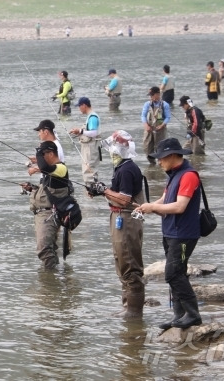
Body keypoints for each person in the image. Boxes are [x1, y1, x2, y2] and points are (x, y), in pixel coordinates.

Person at [134, 137, 203, 330]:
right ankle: (179, 315)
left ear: (172, 156)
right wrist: (149, 207)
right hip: (171, 232)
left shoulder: (188, 175)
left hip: (184, 234)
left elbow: (180, 206)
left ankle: (193, 314)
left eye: (162, 158)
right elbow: (165, 199)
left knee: (173, 274)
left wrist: (153, 207)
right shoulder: (173, 174)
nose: (159, 161)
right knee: (177, 273)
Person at [87, 130, 146, 319]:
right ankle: (127, 306)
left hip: (127, 220)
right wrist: (100, 190)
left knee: (129, 264)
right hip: (119, 219)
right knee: (121, 263)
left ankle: (134, 312)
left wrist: (104, 191)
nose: (111, 153)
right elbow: (117, 193)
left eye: (113, 149)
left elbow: (125, 199)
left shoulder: (128, 169)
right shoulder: (121, 168)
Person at [22, 141, 74, 269]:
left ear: (50, 154)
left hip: (50, 215)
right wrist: (31, 189)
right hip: (43, 215)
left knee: (44, 249)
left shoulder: (61, 168)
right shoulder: (51, 172)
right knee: (49, 248)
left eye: (43, 155)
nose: (40, 160)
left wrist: (38, 153)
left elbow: (45, 167)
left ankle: (51, 279)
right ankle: (55, 276)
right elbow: (47, 190)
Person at [70, 97, 101, 186]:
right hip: (89, 147)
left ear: (84, 105)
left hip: (91, 147)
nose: (79, 108)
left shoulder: (93, 117)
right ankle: (91, 190)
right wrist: (78, 132)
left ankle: (92, 190)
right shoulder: (90, 116)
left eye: (79, 106)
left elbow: (94, 133)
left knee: (89, 170)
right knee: (88, 170)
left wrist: (80, 131)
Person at [141, 86, 171, 165]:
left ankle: (161, 164)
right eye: (150, 95)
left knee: (160, 148)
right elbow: (143, 116)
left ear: (158, 94)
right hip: (149, 128)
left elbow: (168, 117)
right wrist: (146, 125)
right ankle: (152, 163)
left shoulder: (165, 105)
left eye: (152, 95)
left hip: (160, 129)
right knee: (147, 147)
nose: (151, 97)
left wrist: (162, 125)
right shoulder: (147, 104)